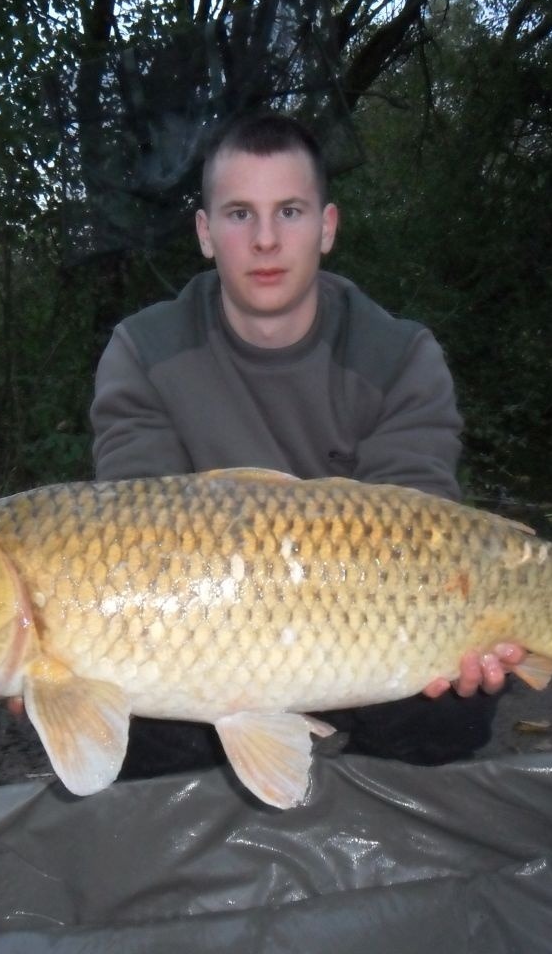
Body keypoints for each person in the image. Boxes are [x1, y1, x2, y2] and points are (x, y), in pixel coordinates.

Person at [89, 112, 525, 778]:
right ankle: (212, 852)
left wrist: (467, 633)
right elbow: (134, 545)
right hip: (202, 636)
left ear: (326, 226)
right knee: (126, 707)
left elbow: (418, 535)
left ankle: (373, 847)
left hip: (365, 631)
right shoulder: (145, 351)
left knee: (452, 703)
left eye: (289, 211)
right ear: (206, 234)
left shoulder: (398, 355)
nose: (265, 239)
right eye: (239, 214)